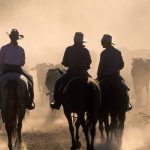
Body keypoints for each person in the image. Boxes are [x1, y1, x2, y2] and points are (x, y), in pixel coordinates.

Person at [51, 32, 92, 109]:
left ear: (74, 40)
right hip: (83, 73)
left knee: (58, 83)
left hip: (71, 73)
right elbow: (89, 63)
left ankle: (56, 103)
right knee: (96, 84)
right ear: (82, 41)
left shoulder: (69, 49)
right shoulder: (86, 51)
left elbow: (64, 63)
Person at [0, 29, 35, 110]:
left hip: (6, 69)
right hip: (18, 70)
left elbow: (1, 60)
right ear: (17, 38)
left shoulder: (4, 48)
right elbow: (22, 63)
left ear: (10, 37)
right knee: (31, 82)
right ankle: (30, 102)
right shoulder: (21, 49)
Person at [97, 34, 132, 111]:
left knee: (96, 91)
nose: (101, 44)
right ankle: (127, 104)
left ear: (105, 42)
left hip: (104, 77)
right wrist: (115, 68)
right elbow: (121, 65)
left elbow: (101, 67)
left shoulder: (103, 53)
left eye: (102, 42)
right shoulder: (118, 52)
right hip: (116, 76)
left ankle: (95, 105)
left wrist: (99, 76)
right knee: (125, 88)